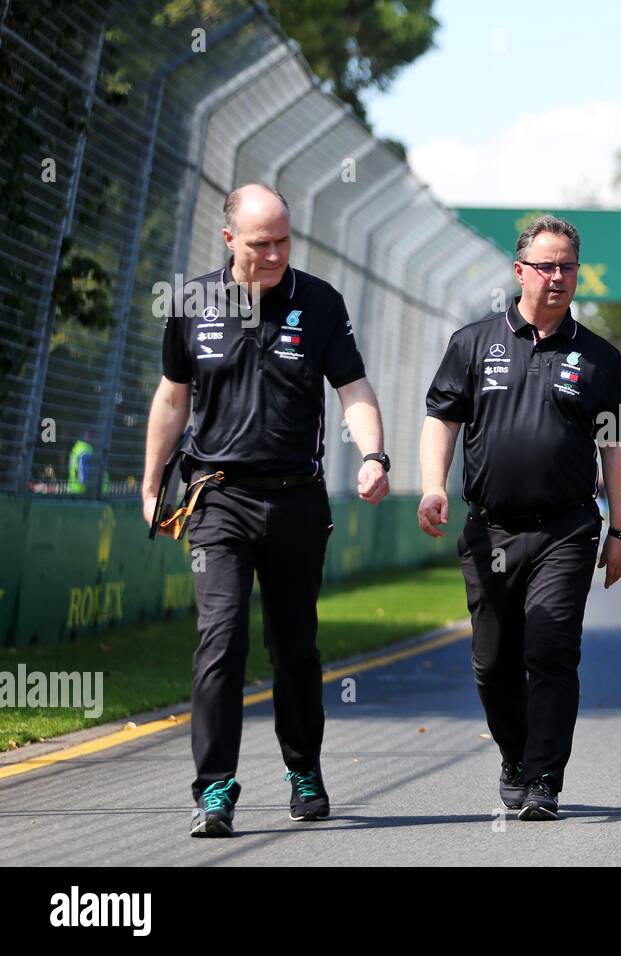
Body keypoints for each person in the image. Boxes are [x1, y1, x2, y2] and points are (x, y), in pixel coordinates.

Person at [142, 183, 390, 837]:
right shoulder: (192, 303)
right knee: (220, 640)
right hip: (217, 496)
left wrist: (374, 455)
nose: (276, 253)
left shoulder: (319, 303)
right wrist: (149, 483)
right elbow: (172, 398)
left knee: (295, 649)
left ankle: (303, 769)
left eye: (284, 240)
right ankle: (214, 789)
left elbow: (354, 388)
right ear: (230, 241)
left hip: (295, 501)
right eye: (261, 243)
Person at [419, 215, 621, 821]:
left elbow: (618, 448)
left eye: (568, 265)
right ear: (520, 272)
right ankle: (515, 754)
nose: (559, 276)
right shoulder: (473, 343)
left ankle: (543, 779)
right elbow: (442, 419)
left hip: (566, 528)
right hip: (489, 528)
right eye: (547, 265)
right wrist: (433, 486)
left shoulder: (598, 357)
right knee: (493, 663)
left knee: (551, 649)